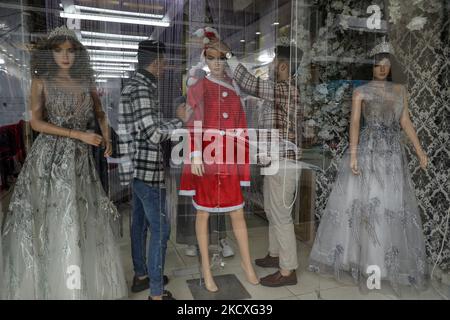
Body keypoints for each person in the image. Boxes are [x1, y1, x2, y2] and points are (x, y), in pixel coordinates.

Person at [1, 26, 128, 299]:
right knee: (53, 218)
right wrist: (78, 134)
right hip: (49, 159)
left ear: (78, 55)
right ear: (50, 53)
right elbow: (36, 122)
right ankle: (53, 287)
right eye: (59, 51)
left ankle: (78, 285)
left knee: (80, 219)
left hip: (80, 161)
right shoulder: (41, 81)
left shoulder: (84, 82)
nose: (65, 56)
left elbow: (100, 112)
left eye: (70, 51)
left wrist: (108, 138)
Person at [308, 40, 429, 294]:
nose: (382, 68)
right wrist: (353, 155)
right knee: (367, 202)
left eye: (386, 64)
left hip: (392, 154)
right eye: (377, 64)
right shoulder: (361, 91)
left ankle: (386, 265)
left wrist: (419, 150)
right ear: (371, 66)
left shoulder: (400, 91)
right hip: (369, 151)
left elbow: (405, 121)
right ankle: (365, 262)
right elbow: (354, 123)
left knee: (389, 203)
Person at [205, 40, 304, 287]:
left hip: (284, 162)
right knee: (272, 210)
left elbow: (249, 83)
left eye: (274, 62)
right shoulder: (277, 89)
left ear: (282, 66)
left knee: (281, 215)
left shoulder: (287, 89)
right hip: (274, 161)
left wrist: (228, 54)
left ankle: (288, 269)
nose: (270, 66)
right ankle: (274, 254)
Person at [179, 28, 259, 292]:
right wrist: (194, 153)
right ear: (205, 59)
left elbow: (241, 124)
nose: (216, 62)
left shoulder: (235, 90)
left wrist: (243, 154)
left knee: (237, 211)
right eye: (211, 58)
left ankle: (248, 265)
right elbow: (192, 121)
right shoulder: (199, 85)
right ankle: (205, 270)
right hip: (206, 155)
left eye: (221, 58)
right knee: (202, 213)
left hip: (228, 157)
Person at [117, 39, 187, 300]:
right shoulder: (142, 89)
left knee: (140, 224)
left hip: (136, 169)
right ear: (157, 62)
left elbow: (147, 126)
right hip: (146, 170)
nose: (166, 66)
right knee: (161, 228)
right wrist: (181, 120)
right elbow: (153, 133)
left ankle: (143, 275)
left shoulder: (136, 86)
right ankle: (156, 293)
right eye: (165, 62)